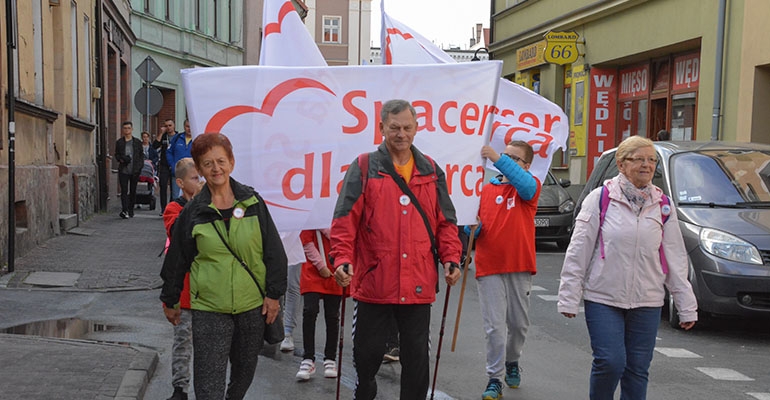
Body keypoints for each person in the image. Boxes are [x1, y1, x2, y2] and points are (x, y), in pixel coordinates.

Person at [331, 99, 463, 400]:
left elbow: (446, 223)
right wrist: (341, 258)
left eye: (407, 127)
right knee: (366, 355)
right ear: (381, 128)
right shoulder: (365, 166)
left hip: (418, 281)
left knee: (416, 360)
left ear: (416, 129)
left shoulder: (431, 170)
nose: (401, 134)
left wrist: (451, 258)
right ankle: (364, 391)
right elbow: (344, 220)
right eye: (394, 128)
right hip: (375, 282)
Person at [558, 135, 697, 400]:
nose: (647, 165)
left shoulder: (663, 205)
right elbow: (579, 250)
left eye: (651, 160)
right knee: (610, 362)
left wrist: (685, 304)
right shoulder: (600, 200)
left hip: (647, 300)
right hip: (604, 297)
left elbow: (675, 257)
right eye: (639, 159)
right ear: (621, 165)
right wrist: (568, 296)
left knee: (637, 368)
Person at [160, 132, 288, 400]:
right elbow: (177, 259)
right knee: (208, 386)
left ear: (231, 162)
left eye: (220, 161)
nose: (215, 168)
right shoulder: (193, 212)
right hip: (209, 308)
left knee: (243, 375)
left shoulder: (253, 203)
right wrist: (170, 299)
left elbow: (274, 253)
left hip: (251, 306)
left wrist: (273, 294)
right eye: (208, 163)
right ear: (201, 169)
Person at [468, 140, 541, 400]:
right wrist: (470, 227)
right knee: (494, 327)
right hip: (489, 266)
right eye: (505, 156)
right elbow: (473, 228)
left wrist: (498, 158)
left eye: (514, 159)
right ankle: (494, 378)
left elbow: (526, 186)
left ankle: (512, 360)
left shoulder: (529, 188)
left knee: (518, 325)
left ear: (527, 165)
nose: (506, 162)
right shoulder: (485, 190)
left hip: (519, 264)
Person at [161, 158, 203, 400]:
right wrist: (196, 203)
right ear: (180, 182)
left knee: (207, 347)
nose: (200, 182)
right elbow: (180, 233)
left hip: (207, 290)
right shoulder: (173, 208)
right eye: (195, 178)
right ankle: (180, 389)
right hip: (184, 291)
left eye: (201, 178)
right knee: (182, 343)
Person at [295, 229, 343, 381]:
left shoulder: (337, 211)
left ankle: (330, 358)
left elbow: (342, 237)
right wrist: (320, 265)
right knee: (309, 310)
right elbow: (306, 242)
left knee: (332, 315)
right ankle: (308, 358)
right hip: (313, 268)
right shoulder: (311, 211)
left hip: (335, 265)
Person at [115, 121, 144, 219]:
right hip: (124, 170)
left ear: (132, 129)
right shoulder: (120, 142)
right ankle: (124, 209)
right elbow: (117, 155)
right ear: (123, 130)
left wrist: (139, 167)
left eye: (128, 128)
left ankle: (131, 209)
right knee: (124, 190)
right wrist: (122, 159)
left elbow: (141, 156)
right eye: (125, 128)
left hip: (134, 170)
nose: (127, 130)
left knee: (133, 190)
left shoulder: (137, 142)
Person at [167, 119, 193, 200]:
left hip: (192, 173)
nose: (189, 129)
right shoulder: (177, 138)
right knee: (176, 197)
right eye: (187, 126)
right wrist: (173, 165)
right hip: (177, 172)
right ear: (184, 127)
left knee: (191, 197)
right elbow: (169, 152)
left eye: (191, 126)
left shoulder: (197, 139)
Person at [280, 261, 302, 352]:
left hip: (296, 248)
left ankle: (288, 332)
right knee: (274, 278)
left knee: (292, 284)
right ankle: (274, 323)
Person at [153, 123, 174, 214]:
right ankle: (163, 208)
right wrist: (161, 133)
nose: (168, 127)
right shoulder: (163, 136)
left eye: (170, 125)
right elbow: (155, 146)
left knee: (174, 187)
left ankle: (172, 207)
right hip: (164, 164)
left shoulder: (177, 136)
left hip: (174, 164)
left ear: (174, 126)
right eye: (166, 126)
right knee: (163, 185)